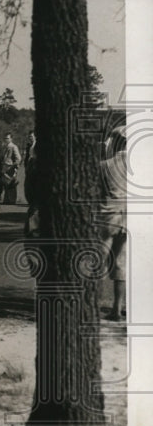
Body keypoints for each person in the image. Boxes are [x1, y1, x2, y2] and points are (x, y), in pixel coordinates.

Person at [97, 127, 128, 321]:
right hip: (128, 219)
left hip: (107, 217)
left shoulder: (104, 165)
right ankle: (117, 308)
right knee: (121, 264)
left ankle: (92, 305)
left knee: (97, 263)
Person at [0, 133, 22, 205]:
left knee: (12, 184)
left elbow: (18, 158)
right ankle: (6, 200)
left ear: (11, 139)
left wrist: (14, 166)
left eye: (8, 138)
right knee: (6, 184)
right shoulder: (4, 147)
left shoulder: (13, 147)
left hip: (11, 168)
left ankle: (12, 201)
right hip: (5, 167)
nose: (6, 140)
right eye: (5, 138)